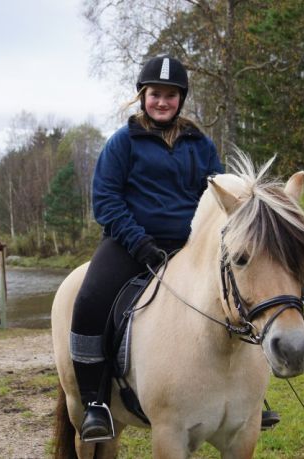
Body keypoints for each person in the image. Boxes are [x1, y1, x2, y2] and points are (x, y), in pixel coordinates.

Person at [69, 55, 225, 442]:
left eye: (170, 96)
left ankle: (243, 396)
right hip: (128, 244)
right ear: (143, 96)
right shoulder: (123, 142)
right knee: (89, 301)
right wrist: (140, 243)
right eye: (155, 94)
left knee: (235, 296)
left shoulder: (200, 144)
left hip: (190, 246)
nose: (162, 102)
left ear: (180, 100)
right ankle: (94, 403)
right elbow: (105, 200)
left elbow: (218, 193)